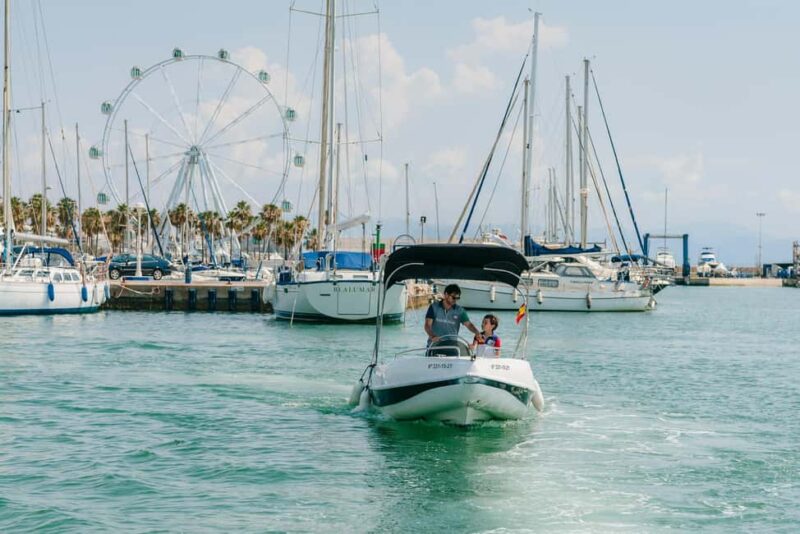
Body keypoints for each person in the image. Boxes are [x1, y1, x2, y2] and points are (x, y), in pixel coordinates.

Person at [424, 284, 482, 355]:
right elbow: (427, 325)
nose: (455, 300)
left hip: (452, 348)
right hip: (434, 346)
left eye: (457, 298)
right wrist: (432, 335)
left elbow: (469, 324)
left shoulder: (460, 311)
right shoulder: (434, 307)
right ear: (446, 294)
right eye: (453, 297)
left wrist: (477, 332)